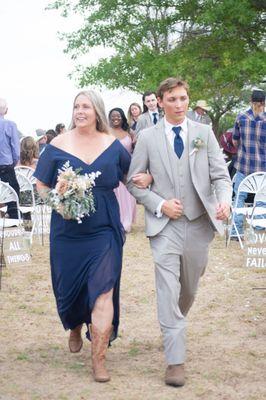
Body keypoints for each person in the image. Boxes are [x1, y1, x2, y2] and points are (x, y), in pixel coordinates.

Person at [127, 77, 232, 387]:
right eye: (171, 99)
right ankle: (175, 361)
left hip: (199, 223)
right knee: (167, 289)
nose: (178, 104)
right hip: (164, 228)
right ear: (160, 101)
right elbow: (133, 181)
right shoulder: (146, 137)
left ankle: (174, 325)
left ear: (189, 100)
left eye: (183, 98)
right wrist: (159, 204)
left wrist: (223, 202)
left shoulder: (203, 134)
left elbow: (221, 177)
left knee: (189, 288)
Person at [34, 90, 132, 383]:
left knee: (103, 289)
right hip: (67, 231)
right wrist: (58, 202)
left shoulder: (113, 146)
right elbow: (40, 184)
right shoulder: (57, 145)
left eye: (86, 106)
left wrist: (149, 183)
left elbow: (131, 176)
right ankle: (75, 325)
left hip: (104, 228)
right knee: (69, 288)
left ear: (97, 111)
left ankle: (99, 360)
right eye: (76, 106)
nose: (80, 111)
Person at [231, 89, 266, 239]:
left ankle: (236, 232)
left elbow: (235, 140)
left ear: (250, 101)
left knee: (239, 198)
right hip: (263, 168)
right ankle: (258, 229)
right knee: (261, 198)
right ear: (264, 102)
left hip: (243, 167)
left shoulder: (241, 117)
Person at [109, 107, 137, 233]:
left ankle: (126, 222)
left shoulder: (129, 132)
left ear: (122, 118)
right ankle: (115, 221)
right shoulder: (106, 132)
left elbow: (136, 148)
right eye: (113, 116)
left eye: (118, 116)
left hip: (127, 168)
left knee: (127, 195)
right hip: (112, 168)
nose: (116, 118)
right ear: (109, 118)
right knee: (115, 194)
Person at [0, 98, 20, 218]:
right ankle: (13, 218)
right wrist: (13, 162)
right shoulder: (10, 125)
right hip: (6, 165)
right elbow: (15, 149)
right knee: (13, 193)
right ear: (6, 111)